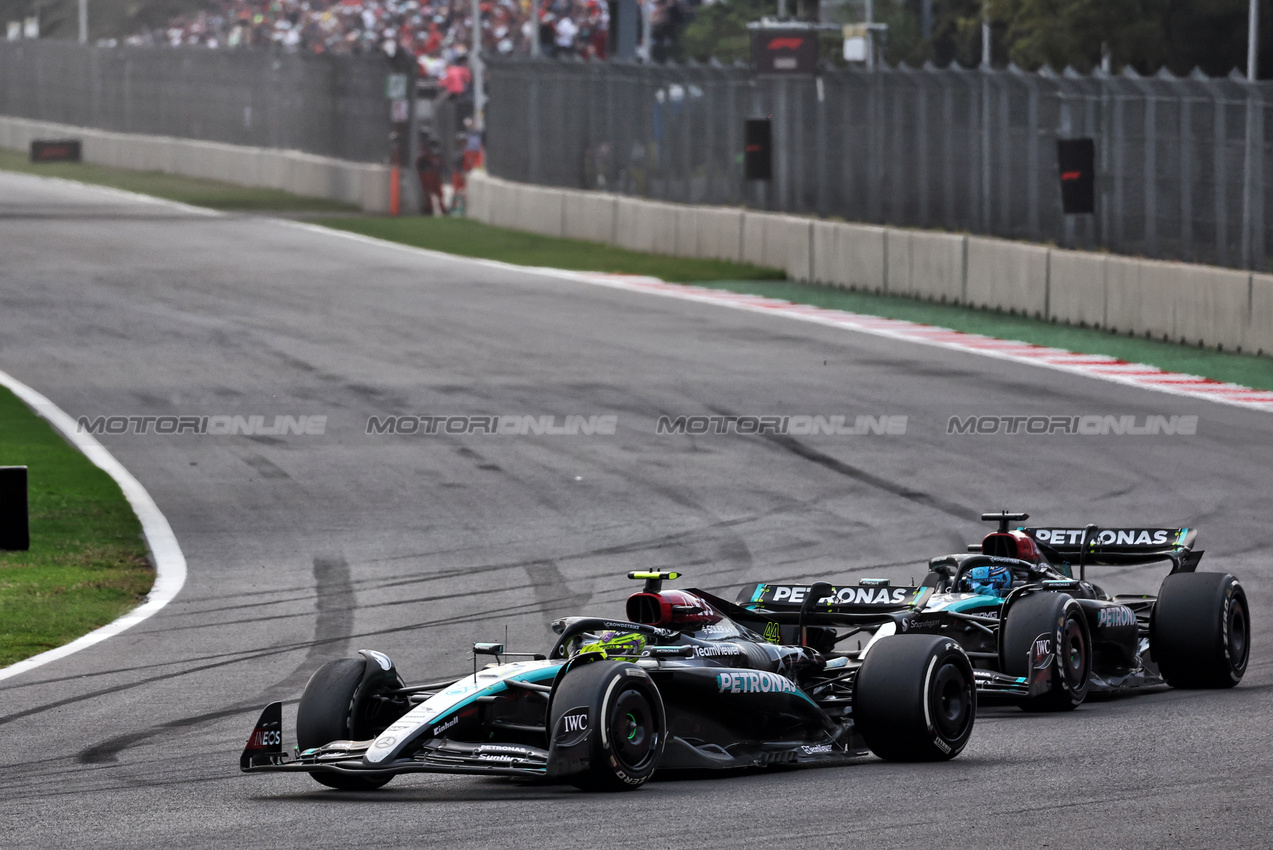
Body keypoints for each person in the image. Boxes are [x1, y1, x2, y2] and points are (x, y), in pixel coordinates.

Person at [416, 141, 446, 215]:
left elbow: (442, 165)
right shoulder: (426, 154)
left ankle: (441, 209)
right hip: (429, 174)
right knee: (429, 193)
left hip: (434, 175)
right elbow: (419, 164)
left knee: (438, 193)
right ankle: (429, 208)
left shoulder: (436, 155)